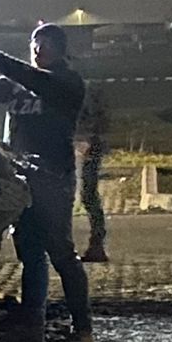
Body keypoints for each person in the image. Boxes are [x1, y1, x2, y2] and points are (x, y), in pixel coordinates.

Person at [0, 22, 93, 342]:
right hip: (22, 178)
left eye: (44, 44)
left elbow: (30, 78)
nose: (37, 50)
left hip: (53, 179)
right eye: (34, 44)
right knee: (30, 254)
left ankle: (83, 331)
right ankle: (33, 328)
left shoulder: (66, 84)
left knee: (61, 253)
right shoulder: (21, 87)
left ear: (60, 50)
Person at [77, 82, 110, 264]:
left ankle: (96, 243)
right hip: (85, 144)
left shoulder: (78, 88)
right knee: (88, 194)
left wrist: (86, 139)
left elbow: (92, 118)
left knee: (87, 194)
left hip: (85, 146)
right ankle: (96, 243)